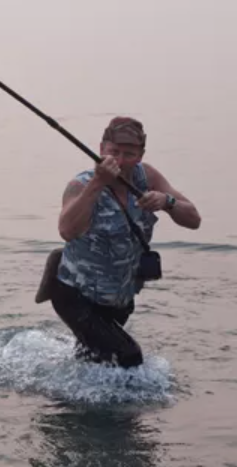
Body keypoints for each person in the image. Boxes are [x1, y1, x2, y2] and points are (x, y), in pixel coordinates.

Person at [35, 116, 201, 368]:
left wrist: (167, 202)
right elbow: (67, 230)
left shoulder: (148, 177)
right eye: (114, 152)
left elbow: (193, 220)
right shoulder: (80, 185)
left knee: (92, 361)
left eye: (129, 154)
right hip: (74, 292)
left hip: (119, 297)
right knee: (128, 357)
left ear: (141, 155)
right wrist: (98, 182)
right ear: (101, 149)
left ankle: (67, 399)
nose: (120, 161)